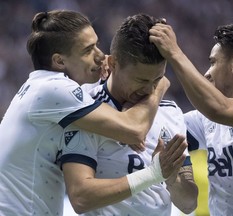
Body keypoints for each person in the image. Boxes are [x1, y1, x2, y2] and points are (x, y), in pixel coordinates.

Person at [0, 10, 169, 216]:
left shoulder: (40, 86)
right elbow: (134, 130)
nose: (101, 56)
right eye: (89, 50)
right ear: (59, 62)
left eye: (97, 45)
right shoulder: (53, 88)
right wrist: (158, 84)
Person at [60, 14, 198, 216]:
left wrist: (170, 176)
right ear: (113, 63)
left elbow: (189, 204)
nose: (150, 89)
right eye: (141, 80)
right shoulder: (86, 109)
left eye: (157, 79)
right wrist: (153, 174)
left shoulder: (170, 113)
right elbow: (81, 199)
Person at [150, 22, 233, 215]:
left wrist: (175, 53)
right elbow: (161, 127)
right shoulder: (206, 121)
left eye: (213, 62)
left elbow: (219, 108)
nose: (207, 73)